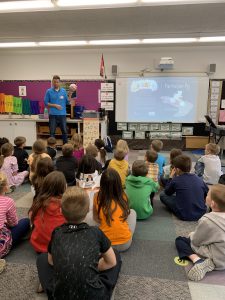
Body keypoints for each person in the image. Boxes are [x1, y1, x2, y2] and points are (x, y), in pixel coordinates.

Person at [36, 186, 122, 299]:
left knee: (42, 258)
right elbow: (111, 263)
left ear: (61, 210)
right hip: (95, 297)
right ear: (88, 211)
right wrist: (92, 267)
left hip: (60, 296)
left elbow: (52, 262)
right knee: (115, 255)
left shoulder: (57, 232)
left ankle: (48, 286)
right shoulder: (96, 232)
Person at [175, 184, 225, 281]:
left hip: (217, 257)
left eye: (207, 195)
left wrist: (192, 234)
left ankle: (198, 260)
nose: (206, 196)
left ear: (213, 204)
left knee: (181, 240)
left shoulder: (208, 220)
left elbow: (196, 241)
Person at [93, 168, 136, 251]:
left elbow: (96, 219)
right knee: (133, 212)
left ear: (102, 183)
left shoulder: (97, 196)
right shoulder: (123, 196)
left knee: (94, 217)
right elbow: (125, 216)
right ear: (118, 183)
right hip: (125, 243)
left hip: (105, 246)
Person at [160, 155, 208, 221]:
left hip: (183, 214)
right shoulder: (199, 179)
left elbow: (167, 192)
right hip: (201, 213)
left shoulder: (176, 179)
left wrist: (170, 177)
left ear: (177, 169)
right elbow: (207, 192)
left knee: (162, 195)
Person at [29, 171, 66, 253]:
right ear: (63, 187)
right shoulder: (65, 203)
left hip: (38, 245)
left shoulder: (38, 201)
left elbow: (31, 217)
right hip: (58, 248)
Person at [0, 172, 30, 258]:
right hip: (1, 244)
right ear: (6, 187)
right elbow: (13, 223)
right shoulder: (8, 201)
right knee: (25, 222)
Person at [44, 75, 71, 144]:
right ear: (52, 82)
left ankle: (66, 147)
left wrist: (70, 93)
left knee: (64, 132)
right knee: (52, 132)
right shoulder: (49, 91)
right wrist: (54, 105)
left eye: (57, 82)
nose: (56, 83)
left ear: (60, 83)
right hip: (53, 115)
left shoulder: (63, 91)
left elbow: (67, 102)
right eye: (54, 82)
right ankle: (52, 147)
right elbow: (46, 103)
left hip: (62, 115)